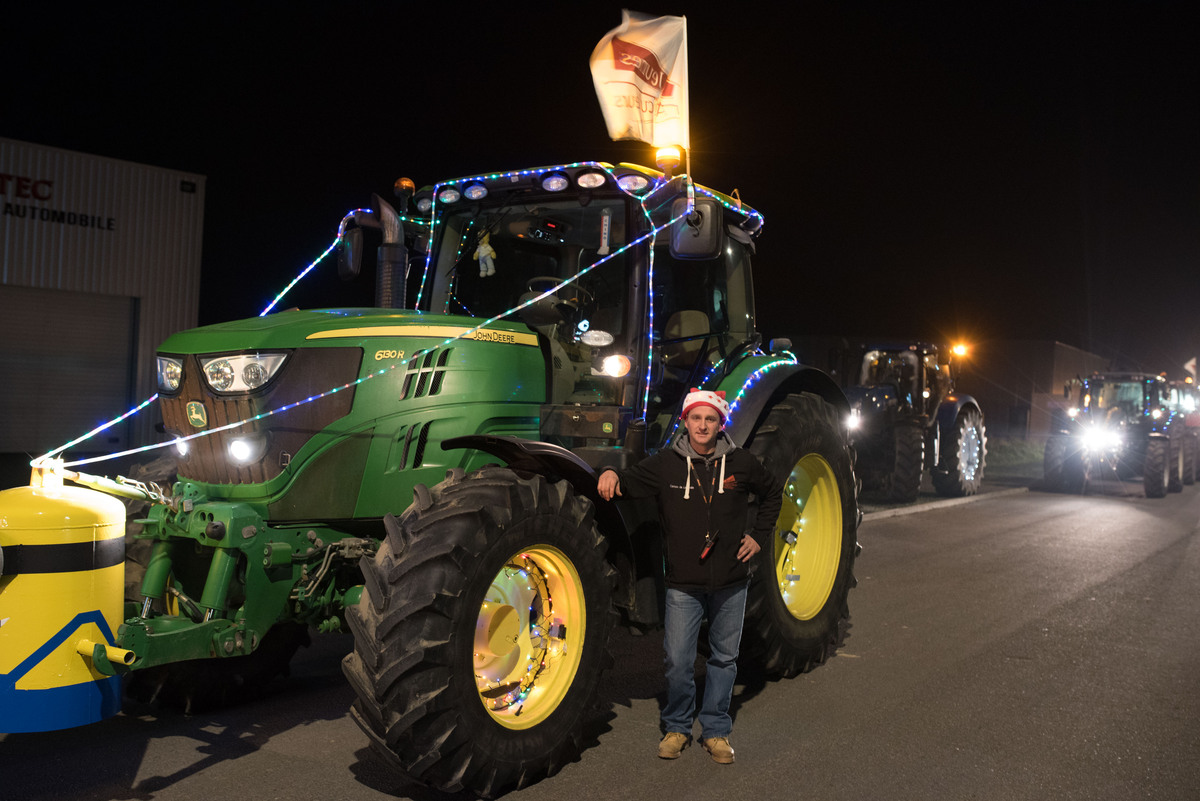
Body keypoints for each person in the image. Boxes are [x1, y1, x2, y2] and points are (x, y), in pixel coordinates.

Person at [597, 388, 783, 764]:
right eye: (696, 418)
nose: (703, 425)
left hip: (732, 580)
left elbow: (773, 493)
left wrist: (758, 537)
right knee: (679, 661)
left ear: (720, 424)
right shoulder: (666, 464)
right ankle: (678, 726)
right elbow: (626, 481)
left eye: (710, 419)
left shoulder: (742, 463)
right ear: (686, 422)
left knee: (724, 659)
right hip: (683, 582)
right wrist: (608, 470)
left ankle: (715, 730)